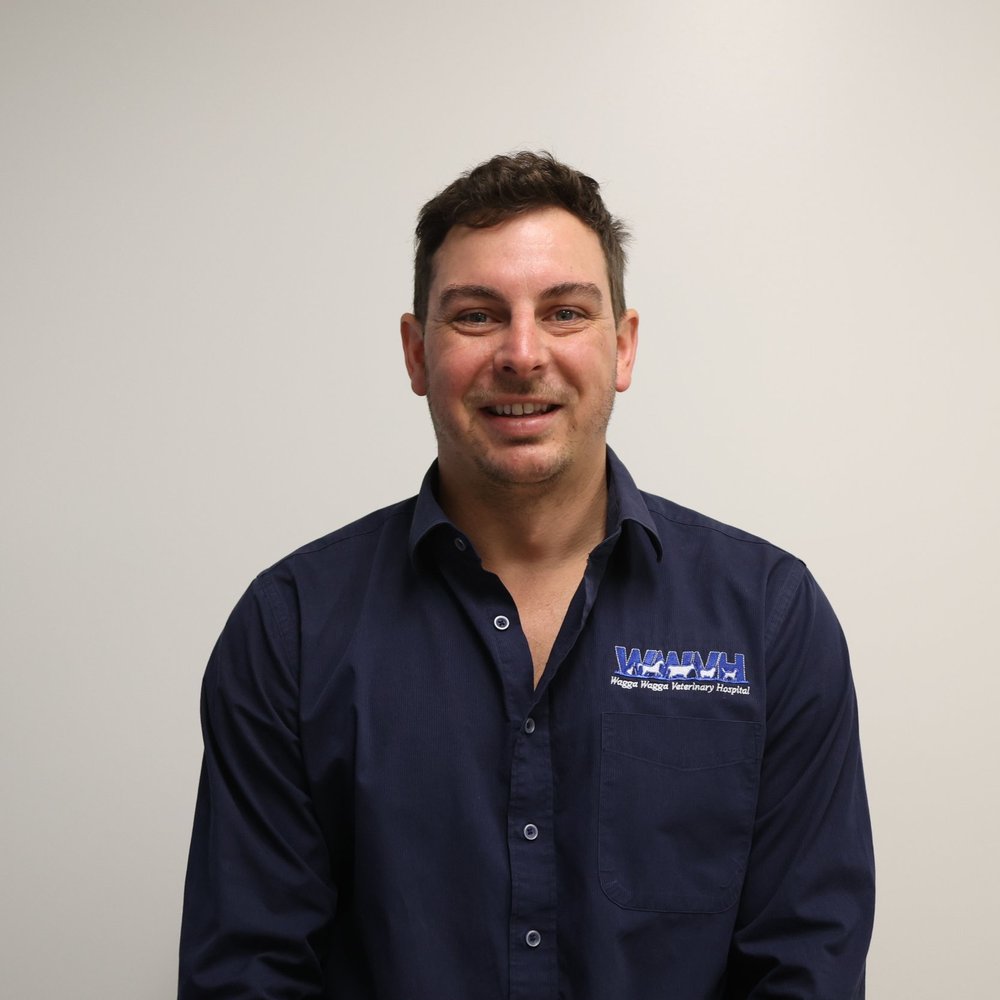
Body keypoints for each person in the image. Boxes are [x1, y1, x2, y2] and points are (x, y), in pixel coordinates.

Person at [178, 151, 875, 999]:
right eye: (476, 315)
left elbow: (805, 966)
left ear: (621, 347)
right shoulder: (290, 630)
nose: (521, 352)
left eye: (565, 312)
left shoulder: (770, 619)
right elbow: (248, 975)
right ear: (415, 353)